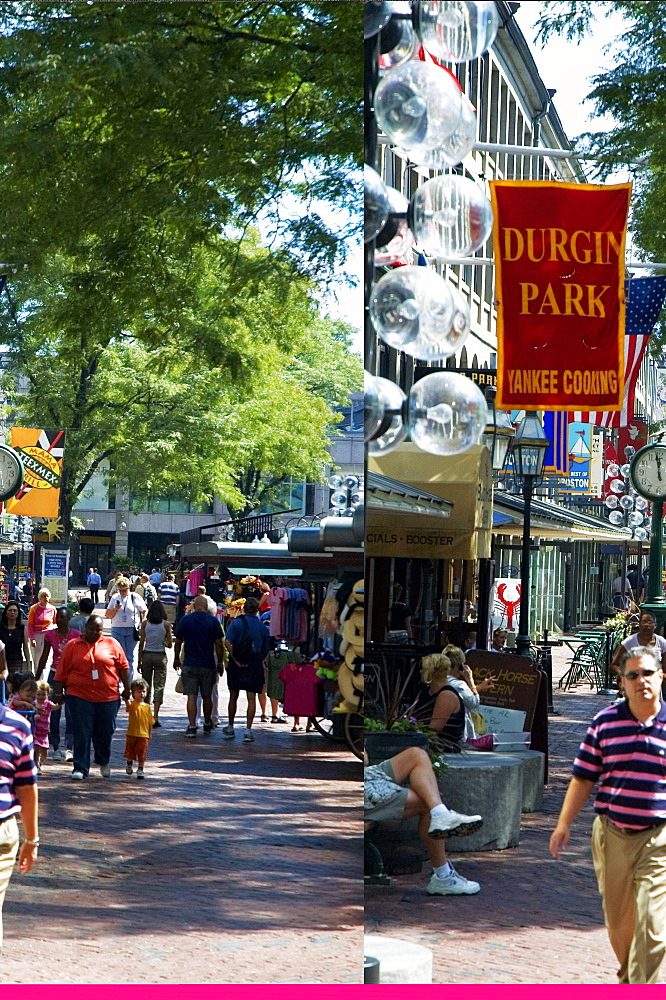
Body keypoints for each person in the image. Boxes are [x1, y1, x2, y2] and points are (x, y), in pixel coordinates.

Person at [550, 647, 666, 984]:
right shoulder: (605, 723)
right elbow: (584, 777)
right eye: (633, 675)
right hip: (613, 831)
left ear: (661, 676)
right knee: (619, 924)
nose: (641, 681)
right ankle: (630, 977)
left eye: (647, 673)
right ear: (623, 682)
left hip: (659, 836)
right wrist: (563, 823)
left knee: (654, 926)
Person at [365, 747, 482, 895]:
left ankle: (440, 813)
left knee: (416, 754)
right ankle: (443, 877)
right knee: (427, 802)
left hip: (367, 776)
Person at [53, 615, 131, 780]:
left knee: (105, 731)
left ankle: (103, 760)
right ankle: (80, 767)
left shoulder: (112, 643)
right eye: (92, 629)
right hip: (79, 696)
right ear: (85, 629)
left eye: (99, 629)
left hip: (108, 696)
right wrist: (58, 693)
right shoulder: (73, 645)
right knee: (82, 731)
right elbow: (62, 671)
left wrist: (127, 688)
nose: (95, 632)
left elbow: (123, 667)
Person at [0, 698, 39, 951]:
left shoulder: (18, 726)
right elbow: (26, 787)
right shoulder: (17, 726)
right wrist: (31, 840)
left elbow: (27, 787)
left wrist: (31, 839)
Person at [173, 595, 224, 737]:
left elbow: (178, 641)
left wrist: (177, 658)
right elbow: (219, 644)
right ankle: (207, 723)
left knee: (192, 696)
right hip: (208, 663)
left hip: (190, 663)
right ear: (206, 607)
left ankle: (192, 725)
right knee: (207, 695)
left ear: (194, 606)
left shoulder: (185, 620)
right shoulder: (213, 622)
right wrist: (220, 662)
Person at [35, 607, 81, 763]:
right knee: (52, 711)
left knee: (71, 712)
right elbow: (44, 656)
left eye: (63, 617)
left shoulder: (75, 636)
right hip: (55, 675)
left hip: (72, 677)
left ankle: (69, 748)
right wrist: (37, 676)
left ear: (69, 619)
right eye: (58, 617)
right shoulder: (50, 635)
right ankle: (54, 746)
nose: (60, 620)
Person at [223, 596, 270, 743]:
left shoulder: (236, 623)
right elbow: (265, 649)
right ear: (257, 610)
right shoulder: (262, 627)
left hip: (236, 662)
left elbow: (227, 642)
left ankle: (230, 727)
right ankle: (248, 730)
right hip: (254, 662)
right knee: (252, 698)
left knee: (233, 696)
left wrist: (235, 658)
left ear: (244, 608)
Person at [413, 652, 465, 753]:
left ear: (432, 672)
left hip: (442, 747)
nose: (420, 671)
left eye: (424, 669)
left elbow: (434, 729)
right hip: (423, 743)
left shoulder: (447, 695)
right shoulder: (425, 692)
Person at [443, 645, 496, 743]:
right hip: (459, 735)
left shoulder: (439, 681)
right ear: (459, 666)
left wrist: (478, 687)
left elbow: (466, 697)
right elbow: (474, 702)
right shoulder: (460, 685)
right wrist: (470, 680)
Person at [137, 599, 172, 727]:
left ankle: (145, 714)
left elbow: (141, 643)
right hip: (160, 656)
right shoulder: (166, 624)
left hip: (147, 654)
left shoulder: (145, 624)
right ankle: (155, 716)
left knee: (146, 685)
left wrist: (139, 660)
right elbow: (169, 645)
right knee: (159, 685)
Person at [104, 577, 147, 675]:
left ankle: (128, 681)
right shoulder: (115, 597)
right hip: (117, 628)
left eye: (125, 590)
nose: (122, 592)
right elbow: (108, 615)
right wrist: (115, 609)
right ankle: (119, 681)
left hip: (132, 629)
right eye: (120, 590)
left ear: (129, 588)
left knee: (129, 657)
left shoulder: (134, 597)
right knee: (119, 655)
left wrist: (142, 623)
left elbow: (144, 610)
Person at [123, 679, 153, 779]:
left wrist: (149, 733)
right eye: (139, 692)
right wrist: (126, 699)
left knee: (142, 753)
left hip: (143, 735)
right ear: (133, 693)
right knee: (130, 752)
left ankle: (140, 769)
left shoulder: (148, 707)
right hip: (132, 733)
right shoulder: (132, 704)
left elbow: (150, 722)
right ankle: (129, 763)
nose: (142, 694)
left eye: (144, 691)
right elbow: (127, 706)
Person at [27, 589, 57, 667]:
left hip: (48, 635)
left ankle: (45, 677)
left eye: (47, 596)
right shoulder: (34, 608)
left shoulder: (52, 608)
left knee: (47, 657)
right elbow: (30, 624)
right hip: (37, 635)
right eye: (44, 596)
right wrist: (32, 638)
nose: (46, 598)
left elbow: (55, 622)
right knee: (37, 657)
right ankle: (37, 676)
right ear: (40, 598)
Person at [32, 681, 56, 773]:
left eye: (43, 694)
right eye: (38, 694)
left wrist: (60, 703)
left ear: (47, 694)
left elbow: (55, 707)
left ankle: (41, 762)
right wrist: (34, 717)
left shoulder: (48, 704)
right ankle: (36, 765)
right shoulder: (33, 704)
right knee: (37, 749)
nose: (41, 697)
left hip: (45, 731)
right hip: (36, 731)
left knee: (45, 751)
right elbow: (29, 716)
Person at [0, 602, 23, 676]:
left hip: (16, 661)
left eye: (15, 610)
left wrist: (29, 665)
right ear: (6, 613)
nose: (12, 612)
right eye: (10, 610)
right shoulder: (1, 628)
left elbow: (25, 647)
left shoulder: (22, 628)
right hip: (2, 661)